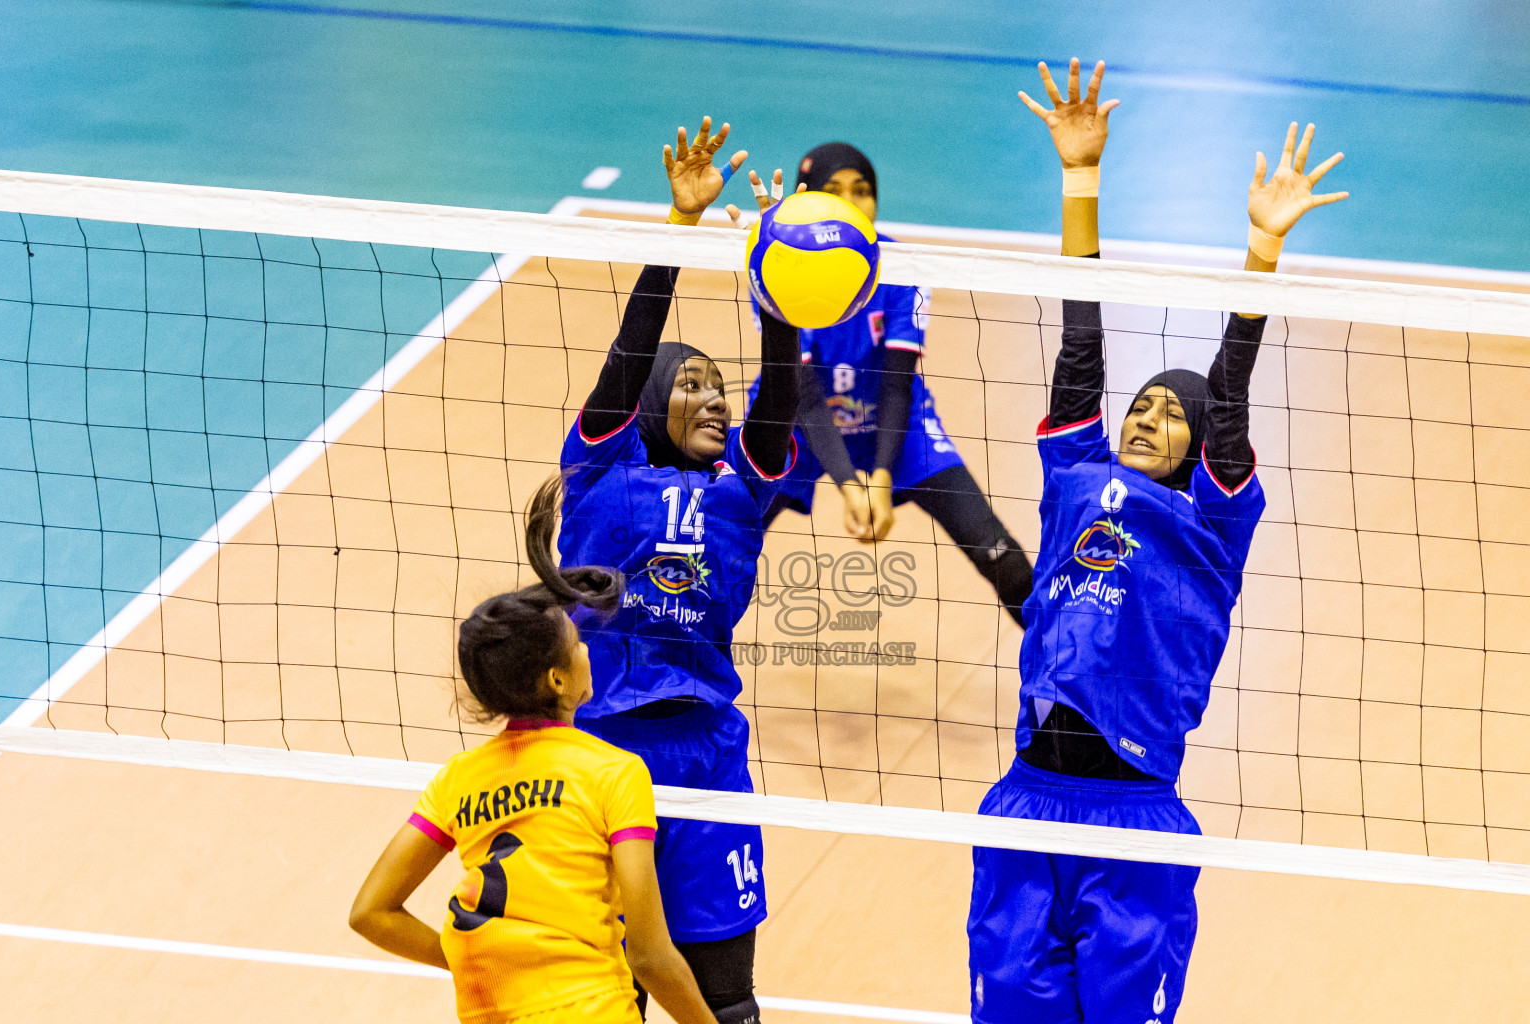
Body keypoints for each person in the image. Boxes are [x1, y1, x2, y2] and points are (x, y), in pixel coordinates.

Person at [966, 59, 1347, 1024]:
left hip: (1136, 818)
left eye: (1172, 414)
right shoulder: (1075, 480)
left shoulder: (1214, 520)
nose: (1148, 416)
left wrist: (1260, 257)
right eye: (1142, 405)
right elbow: (1080, 343)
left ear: (1201, 445)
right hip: (1026, 800)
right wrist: (1080, 179)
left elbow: (1232, 390)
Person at [562, 116, 801, 1024]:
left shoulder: (744, 481)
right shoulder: (599, 465)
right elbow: (629, 358)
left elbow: (779, 392)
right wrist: (679, 227)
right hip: (600, 747)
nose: (713, 396)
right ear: (655, 403)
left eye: (719, 386)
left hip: (707, 752)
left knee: (725, 1001)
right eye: (692, 383)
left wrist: (779, 289)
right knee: (604, 990)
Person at [349, 476, 720, 1024]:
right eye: (577, 646)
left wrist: (480, 964)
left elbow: (371, 913)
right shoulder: (613, 773)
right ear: (557, 680)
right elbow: (647, 952)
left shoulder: (458, 778)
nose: (587, 651)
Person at [730, 144, 1034, 628]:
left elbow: (897, 384)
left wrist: (882, 477)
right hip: (794, 429)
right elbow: (803, 393)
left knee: (1003, 558)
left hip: (897, 424)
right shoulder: (776, 261)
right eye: (835, 191)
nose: (852, 201)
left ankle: (1068, 679)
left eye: (863, 190)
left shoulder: (901, 265)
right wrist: (852, 486)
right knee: (718, 543)